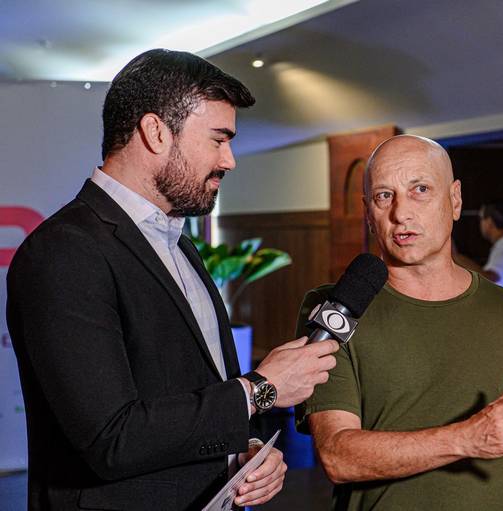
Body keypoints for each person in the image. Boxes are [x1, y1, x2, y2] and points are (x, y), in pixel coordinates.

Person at [6, 49, 339, 511]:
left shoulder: (179, 243)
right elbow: (112, 438)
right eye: (219, 139)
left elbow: (191, 391)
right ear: (155, 132)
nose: (230, 160)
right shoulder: (63, 251)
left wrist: (244, 451)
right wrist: (260, 389)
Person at [295, 135, 503, 510]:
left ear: (455, 200)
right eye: (384, 196)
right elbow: (338, 457)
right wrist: (467, 438)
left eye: (420, 189)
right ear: (368, 213)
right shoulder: (336, 310)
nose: (401, 213)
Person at [453, 200, 503, 299]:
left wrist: (456, 257)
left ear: (489, 222)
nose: (480, 223)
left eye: (481, 219)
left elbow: (489, 279)